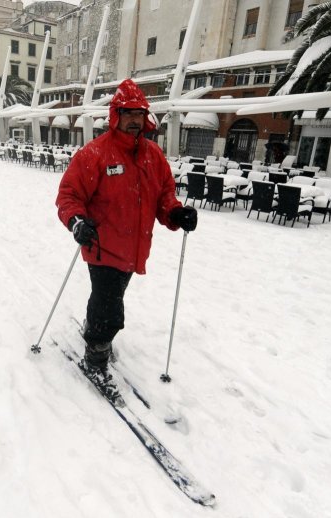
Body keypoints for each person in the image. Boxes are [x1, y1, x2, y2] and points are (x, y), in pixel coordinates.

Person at [55, 78, 198, 390]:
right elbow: (68, 196)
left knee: (110, 297)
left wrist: (175, 213)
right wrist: (77, 221)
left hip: (134, 248)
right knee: (110, 310)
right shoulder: (94, 154)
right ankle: (95, 356)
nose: (135, 120)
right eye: (128, 113)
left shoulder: (153, 156)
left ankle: (95, 329)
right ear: (115, 115)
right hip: (102, 245)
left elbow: (164, 197)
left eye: (139, 114)